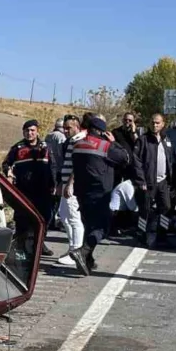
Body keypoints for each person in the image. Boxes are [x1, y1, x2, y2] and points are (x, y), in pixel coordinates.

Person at [69, 114, 131, 275]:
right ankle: (83, 251)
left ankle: (87, 261)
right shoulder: (105, 146)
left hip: (82, 192)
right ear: (101, 131)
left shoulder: (77, 145)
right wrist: (113, 142)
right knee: (102, 227)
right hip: (100, 193)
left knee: (89, 225)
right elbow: (125, 158)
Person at [3, 120, 56, 257]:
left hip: (43, 190)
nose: (29, 133)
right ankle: (21, 248)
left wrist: (55, 184)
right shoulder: (17, 148)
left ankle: (39, 244)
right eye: (27, 130)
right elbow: (6, 164)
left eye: (32, 130)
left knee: (44, 219)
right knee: (22, 220)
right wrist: (8, 172)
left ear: (37, 131)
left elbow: (54, 167)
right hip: (24, 191)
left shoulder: (46, 147)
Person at [133, 112, 175, 248]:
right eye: (152, 122)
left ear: (163, 124)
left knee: (166, 208)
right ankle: (141, 235)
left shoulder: (166, 140)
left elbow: (170, 159)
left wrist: (170, 179)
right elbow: (136, 161)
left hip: (163, 182)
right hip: (147, 182)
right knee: (145, 210)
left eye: (157, 123)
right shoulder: (143, 140)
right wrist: (141, 181)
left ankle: (162, 236)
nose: (154, 125)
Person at [55, 114, 85, 267]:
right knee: (64, 215)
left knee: (74, 218)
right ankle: (72, 249)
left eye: (69, 128)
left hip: (73, 186)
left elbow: (78, 165)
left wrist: (70, 184)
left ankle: (76, 252)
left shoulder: (80, 141)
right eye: (64, 128)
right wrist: (62, 182)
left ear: (77, 127)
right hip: (66, 183)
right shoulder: (71, 141)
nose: (66, 131)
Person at [44, 117, 68, 230]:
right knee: (57, 198)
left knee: (50, 198)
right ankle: (52, 221)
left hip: (48, 168)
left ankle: (50, 220)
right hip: (59, 169)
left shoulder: (48, 136)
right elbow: (62, 153)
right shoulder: (61, 137)